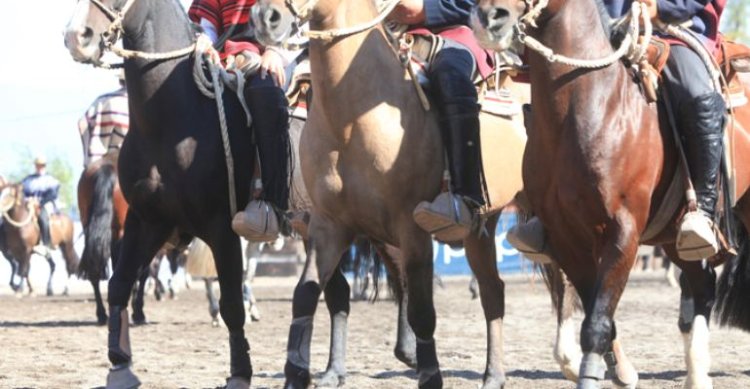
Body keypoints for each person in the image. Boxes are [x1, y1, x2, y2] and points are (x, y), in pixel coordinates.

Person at [509, 0, 726, 261]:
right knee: (554, 90)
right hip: (604, 28)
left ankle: (702, 208)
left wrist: (663, 7)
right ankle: (546, 209)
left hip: (674, 29)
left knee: (696, 94)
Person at [390, 0, 494, 242]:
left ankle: (466, 198)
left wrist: (428, 9)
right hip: (386, 33)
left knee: (450, 76)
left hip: (456, 32)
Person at [188, 0, 292, 242]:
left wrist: (276, 52)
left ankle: (274, 204)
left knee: (263, 90)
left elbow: (300, 11)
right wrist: (204, 41)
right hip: (225, 58)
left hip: (276, 51)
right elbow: (207, 24)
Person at [78, 73, 129, 168]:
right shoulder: (137, 103)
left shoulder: (101, 99)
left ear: (120, 81)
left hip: (97, 163)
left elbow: (82, 124)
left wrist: (88, 158)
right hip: (125, 164)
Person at [21, 157, 60, 248]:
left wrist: (41, 202)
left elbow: (53, 194)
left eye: (42, 165)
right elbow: (22, 190)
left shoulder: (50, 179)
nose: (39, 167)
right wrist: (27, 198)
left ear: (44, 166)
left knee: (43, 217)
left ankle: (46, 242)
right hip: (30, 203)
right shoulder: (28, 179)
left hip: (45, 203)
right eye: (38, 165)